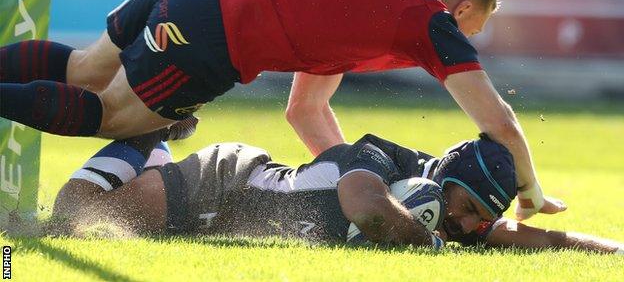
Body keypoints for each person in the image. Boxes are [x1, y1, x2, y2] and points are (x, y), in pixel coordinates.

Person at [0, 0, 563, 220]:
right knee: (115, 115)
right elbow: (499, 122)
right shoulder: (427, 17)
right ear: (461, 8)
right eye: (474, 27)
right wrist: (530, 191)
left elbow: (306, 112)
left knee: (84, 69)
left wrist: (348, 184)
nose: (467, 38)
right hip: (216, 28)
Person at [51, 132, 623, 254]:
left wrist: (615, 252)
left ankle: (154, 150)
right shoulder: (381, 159)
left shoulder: (452, 216)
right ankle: (147, 133)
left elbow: (542, 235)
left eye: (481, 219)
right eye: (470, 209)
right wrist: (430, 248)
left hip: (221, 208)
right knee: (69, 218)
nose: (473, 225)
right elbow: (366, 209)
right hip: (223, 181)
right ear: (444, 183)